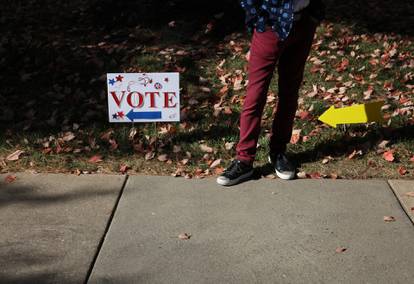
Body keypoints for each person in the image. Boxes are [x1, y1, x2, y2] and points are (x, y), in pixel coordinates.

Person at [217, 0, 325, 186]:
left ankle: (278, 152)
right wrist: (259, 17)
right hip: (271, 24)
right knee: (256, 94)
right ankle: (244, 160)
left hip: (303, 22)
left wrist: (314, 16)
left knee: (289, 92)